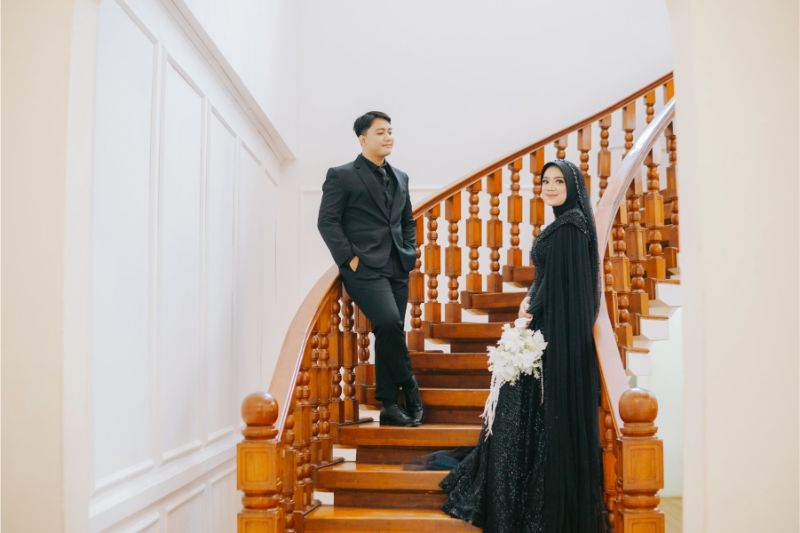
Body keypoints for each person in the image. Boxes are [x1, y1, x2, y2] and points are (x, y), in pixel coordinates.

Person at [440, 159, 609, 532]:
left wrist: (532, 307)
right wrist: (529, 298)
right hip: (542, 327)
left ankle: (520, 506)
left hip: (551, 335)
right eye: (545, 181)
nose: (550, 187)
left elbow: (562, 283)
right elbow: (547, 277)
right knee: (516, 413)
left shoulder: (570, 227)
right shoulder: (565, 224)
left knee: (517, 414)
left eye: (558, 181)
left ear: (573, 187)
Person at [317, 111, 423, 427]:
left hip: (397, 264)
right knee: (389, 323)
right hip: (364, 268)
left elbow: (407, 221)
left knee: (389, 331)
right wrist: (349, 258)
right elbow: (327, 221)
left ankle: (389, 405)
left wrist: (410, 251)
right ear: (363, 139)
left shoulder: (401, 177)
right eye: (380, 132)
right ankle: (410, 385)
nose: (388, 137)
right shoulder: (341, 175)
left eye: (390, 131)